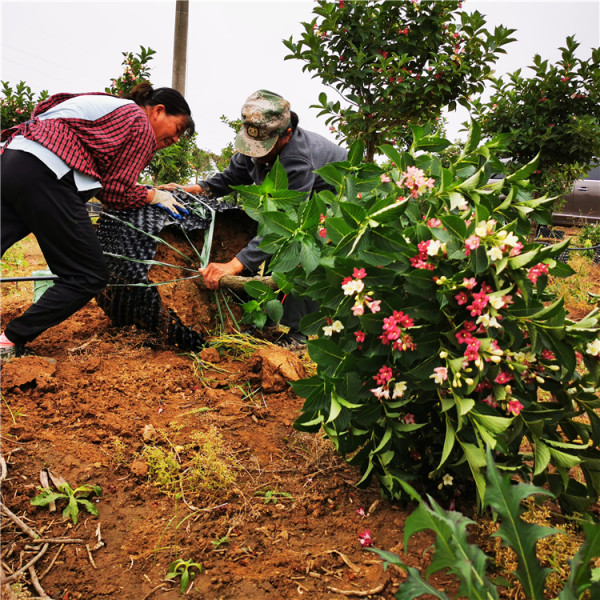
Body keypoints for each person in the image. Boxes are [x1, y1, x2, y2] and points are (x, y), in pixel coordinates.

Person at [0, 83, 194, 358]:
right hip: (48, 172)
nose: (176, 140)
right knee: (87, 275)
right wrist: (153, 196)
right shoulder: (140, 122)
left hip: (12, 159)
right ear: (159, 112)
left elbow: (45, 111)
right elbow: (117, 192)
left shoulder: (111, 107)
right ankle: (9, 341)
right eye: (178, 130)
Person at [163, 89, 347, 347]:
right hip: (302, 204)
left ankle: (298, 334)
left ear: (286, 135)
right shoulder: (254, 148)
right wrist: (196, 188)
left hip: (338, 198)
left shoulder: (298, 160)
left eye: (263, 148)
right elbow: (230, 178)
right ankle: (267, 320)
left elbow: (284, 223)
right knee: (276, 254)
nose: (256, 154)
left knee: (303, 250)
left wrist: (232, 266)